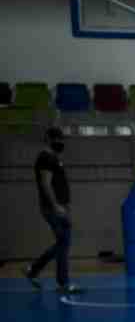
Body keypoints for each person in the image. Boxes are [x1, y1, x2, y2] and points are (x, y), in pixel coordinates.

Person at [25, 126, 80, 296]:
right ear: (48, 139)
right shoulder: (46, 158)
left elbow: (59, 185)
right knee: (63, 242)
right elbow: (45, 184)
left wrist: (66, 207)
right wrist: (56, 206)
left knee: (64, 244)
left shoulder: (54, 158)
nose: (60, 142)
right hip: (52, 208)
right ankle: (60, 282)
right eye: (57, 139)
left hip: (61, 208)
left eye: (61, 139)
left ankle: (34, 270)